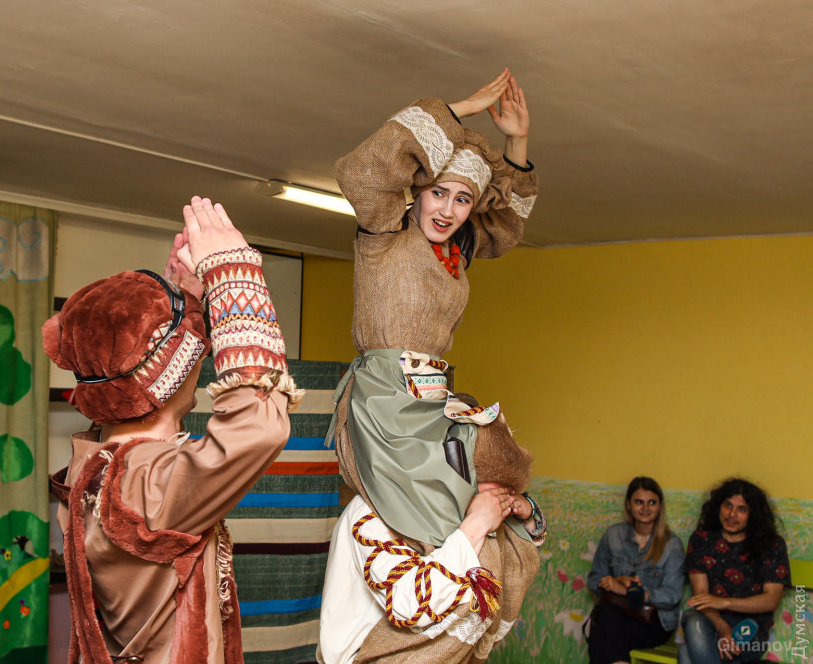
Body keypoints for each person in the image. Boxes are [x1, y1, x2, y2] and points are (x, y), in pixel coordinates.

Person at [319, 70, 545, 662]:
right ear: (416, 191)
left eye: (462, 199)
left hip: (432, 395)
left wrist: (517, 142)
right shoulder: (383, 233)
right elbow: (362, 172)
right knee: (433, 508)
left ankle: (461, 615)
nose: (447, 209)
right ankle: (409, 625)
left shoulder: (457, 250)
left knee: (496, 472)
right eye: (438, 193)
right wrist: (462, 107)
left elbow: (506, 225)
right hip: (386, 399)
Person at [45, 197, 302, 664]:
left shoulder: (97, 462)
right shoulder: (148, 483)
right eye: (192, 354)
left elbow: (136, 386)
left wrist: (187, 301)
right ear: (170, 377)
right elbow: (258, 426)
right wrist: (234, 275)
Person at [679, 479, 790, 664]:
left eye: (742, 509)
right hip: (710, 619)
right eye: (728, 505)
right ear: (719, 506)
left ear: (753, 514)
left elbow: (771, 600)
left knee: (686, 653)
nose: (732, 514)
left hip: (750, 628)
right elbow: (701, 597)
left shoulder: (772, 545)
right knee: (692, 621)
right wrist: (722, 626)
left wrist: (725, 602)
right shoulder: (701, 540)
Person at [586, 477, 686, 664]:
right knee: (606, 617)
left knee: (604, 629)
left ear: (660, 506)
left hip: (654, 622)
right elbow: (594, 580)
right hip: (617, 615)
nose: (645, 508)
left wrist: (633, 592)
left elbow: (672, 595)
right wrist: (615, 582)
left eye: (652, 503)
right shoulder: (613, 535)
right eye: (639, 502)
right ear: (628, 505)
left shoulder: (672, 544)